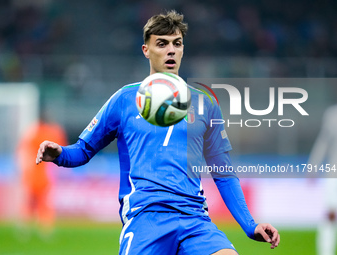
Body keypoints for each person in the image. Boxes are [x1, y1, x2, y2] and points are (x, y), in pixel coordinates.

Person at [36, 10, 280, 254]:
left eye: (177, 44)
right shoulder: (125, 99)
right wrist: (59, 154)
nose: (171, 50)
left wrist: (250, 225)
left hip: (195, 220)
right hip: (145, 218)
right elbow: (83, 150)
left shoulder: (206, 104)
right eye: (162, 44)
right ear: (146, 50)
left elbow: (223, 172)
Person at [17, 109, 67, 237]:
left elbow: (23, 151)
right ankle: (45, 229)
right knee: (43, 203)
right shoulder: (53, 132)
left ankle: (25, 229)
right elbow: (63, 149)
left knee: (30, 202)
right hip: (45, 173)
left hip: (33, 173)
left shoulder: (33, 132)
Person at [308, 104, 337, 255]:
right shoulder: (333, 115)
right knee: (330, 217)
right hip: (334, 176)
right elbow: (323, 143)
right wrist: (313, 166)